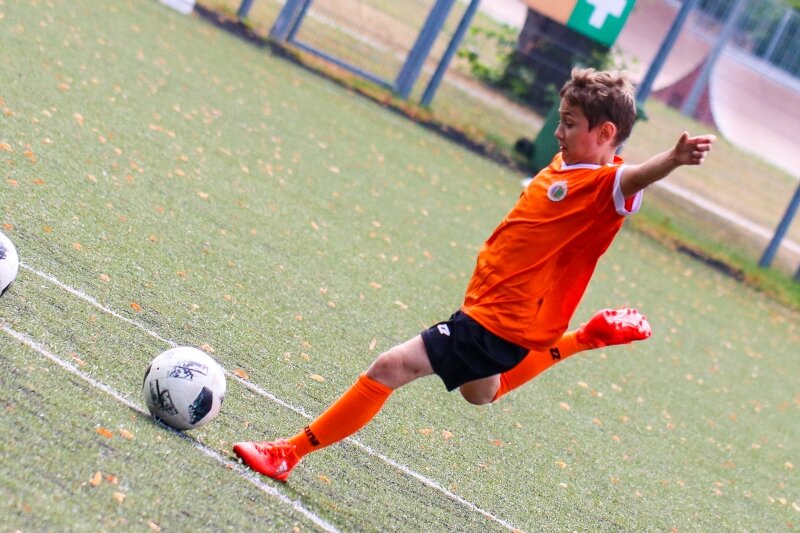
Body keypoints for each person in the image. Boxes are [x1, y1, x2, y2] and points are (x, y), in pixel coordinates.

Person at [233, 68, 716, 482]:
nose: (558, 132)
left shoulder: (604, 186)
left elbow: (633, 178)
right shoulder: (566, 165)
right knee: (480, 392)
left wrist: (672, 160)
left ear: (606, 133)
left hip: (499, 321)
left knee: (391, 367)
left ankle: (288, 452)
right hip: (496, 313)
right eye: (561, 120)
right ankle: (583, 338)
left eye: (569, 124)